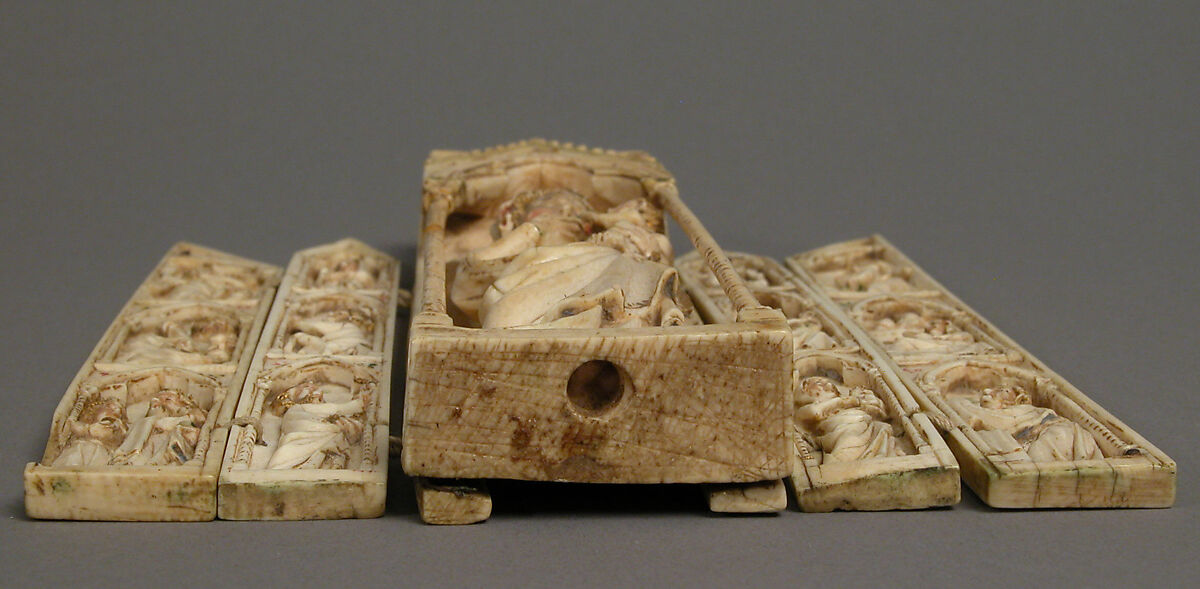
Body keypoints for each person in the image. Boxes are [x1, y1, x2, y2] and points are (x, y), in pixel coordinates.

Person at [950, 385, 1102, 462]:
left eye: (1001, 390)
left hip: (1059, 435)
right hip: (1047, 439)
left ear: (1017, 399)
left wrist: (965, 406)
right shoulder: (994, 417)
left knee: (1038, 462)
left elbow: (991, 421)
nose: (988, 391)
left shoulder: (1022, 411)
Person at [794, 376, 902, 463]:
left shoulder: (848, 406)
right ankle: (840, 465)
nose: (828, 384)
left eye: (828, 383)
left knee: (881, 427)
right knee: (851, 437)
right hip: (842, 432)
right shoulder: (805, 411)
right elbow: (815, 412)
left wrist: (866, 398)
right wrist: (847, 401)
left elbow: (882, 413)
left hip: (860, 426)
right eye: (819, 383)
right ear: (806, 390)